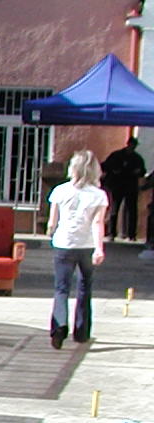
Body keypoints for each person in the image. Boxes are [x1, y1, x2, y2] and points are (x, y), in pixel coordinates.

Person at [45, 149, 108, 347]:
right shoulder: (99, 195)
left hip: (64, 243)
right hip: (87, 245)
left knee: (61, 288)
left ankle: (59, 326)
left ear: (73, 168)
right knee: (84, 287)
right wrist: (99, 248)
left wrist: (51, 232)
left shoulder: (60, 191)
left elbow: (52, 222)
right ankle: (81, 331)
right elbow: (98, 223)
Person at [99, 135, 145, 240]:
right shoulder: (117, 155)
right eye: (131, 145)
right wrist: (114, 170)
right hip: (117, 185)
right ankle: (112, 233)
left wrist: (138, 172)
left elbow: (142, 171)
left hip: (130, 186)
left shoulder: (137, 158)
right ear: (128, 144)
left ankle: (131, 235)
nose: (132, 147)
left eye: (134, 146)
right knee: (114, 209)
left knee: (132, 211)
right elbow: (104, 166)